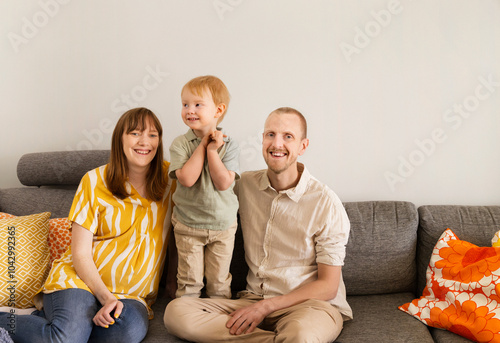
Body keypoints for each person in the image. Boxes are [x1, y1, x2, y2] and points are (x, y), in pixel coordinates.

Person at [164, 107, 352, 342]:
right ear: (262, 139)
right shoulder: (245, 185)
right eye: (270, 134)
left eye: (288, 136)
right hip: (252, 300)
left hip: (309, 307)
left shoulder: (325, 202)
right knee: (176, 312)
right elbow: (189, 215)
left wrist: (267, 307)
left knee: (301, 337)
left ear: (303, 146)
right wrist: (172, 277)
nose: (277, 143)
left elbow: (328, 286)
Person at [0, 107, 176, 343]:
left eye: (153, 135)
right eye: (135, 133)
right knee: (66, 338)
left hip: (132, 296)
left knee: (127, 333)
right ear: (119, 139)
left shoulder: (172, 181)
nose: (145, 141)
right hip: (78, 281)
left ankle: (48, 320)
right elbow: (80, 254)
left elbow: (183, 233)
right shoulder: (94, 181)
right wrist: (106, 298)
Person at [168, 75, 240, 299]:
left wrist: (212, 151)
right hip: (188, 225)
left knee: (219, 284)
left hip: (222, 226)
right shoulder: (180, 143)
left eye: (198, 104)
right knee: (190, 282)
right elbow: (187, 179)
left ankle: (217, 323)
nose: (190, 109)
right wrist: (203, 144)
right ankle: (187, 321)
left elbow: (223, 183)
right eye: (185, 104)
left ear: (218, 110)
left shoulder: (230, 145)